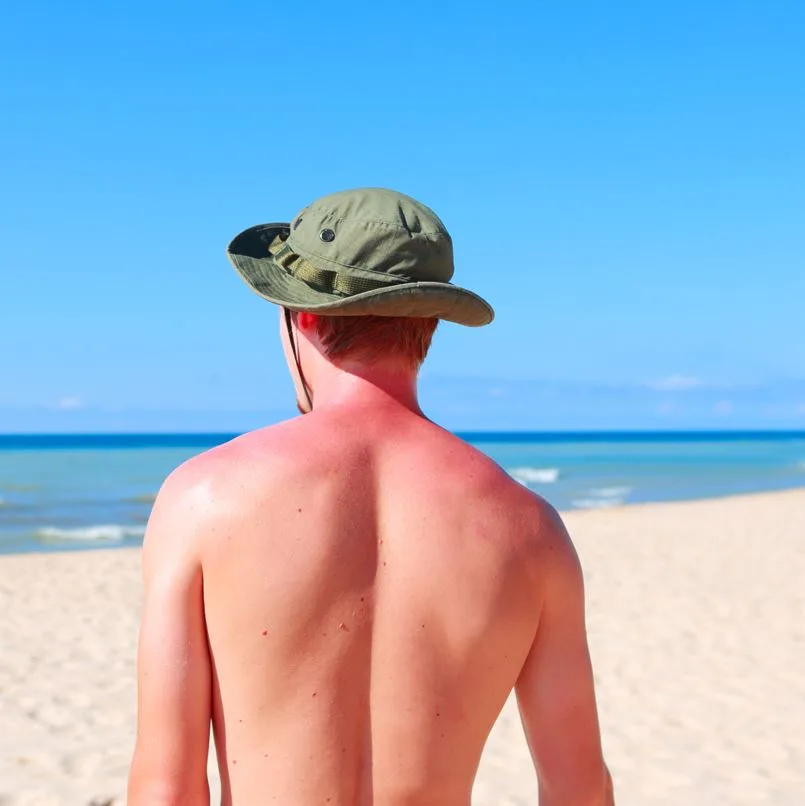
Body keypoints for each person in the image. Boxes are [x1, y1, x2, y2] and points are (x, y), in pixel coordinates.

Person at [128, 188, 614, 806]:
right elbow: (580, 788)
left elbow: (166, 789)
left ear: (301, 316)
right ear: (430, 323)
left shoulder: (202, 498)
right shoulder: (530, 528)